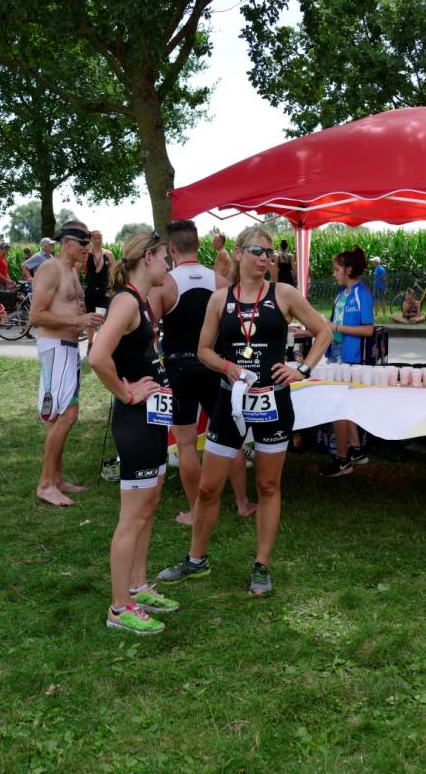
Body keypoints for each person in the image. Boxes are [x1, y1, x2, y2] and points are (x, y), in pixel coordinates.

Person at [158, 226, 331, 597]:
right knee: (208, 487)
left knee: (267, 485)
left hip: (272, 402)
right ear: (238, 253)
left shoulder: (283, 293)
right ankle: (196, 559)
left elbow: (323, 331)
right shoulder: (219, 299)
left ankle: (262, 564)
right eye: (256, 251)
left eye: (269, 253)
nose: (264, 258)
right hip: (230, 402)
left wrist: (302, 369)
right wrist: (227, 367)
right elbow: (203, 350)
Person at [90, 230, 179, 636]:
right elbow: (97, 356)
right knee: (132, 516)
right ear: (147, 257)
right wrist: (126, 392)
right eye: (164, 258)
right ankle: (118, 607)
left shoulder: (141, 300)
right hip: (136, 420)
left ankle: (138, 586)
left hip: (154, 418)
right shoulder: (126, 302)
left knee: (150, 504)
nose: (168, 266)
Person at [150, 219, 257, 525]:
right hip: (215, 366)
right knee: (229, 438)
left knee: (186, 443)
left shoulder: (165, 285)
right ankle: (242, 503)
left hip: (180, 369)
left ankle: (197, 512)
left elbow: (150, 331)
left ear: (171, 249)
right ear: (198, 245)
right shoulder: (220, 282)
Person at [29, 220, 105, 507]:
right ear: (67, 242)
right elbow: (36, 316)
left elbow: (71, 309)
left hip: (68, 349)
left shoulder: (72, 270)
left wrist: (88, 322)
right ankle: (46, 484)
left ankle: (57, 479)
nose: (88, 247)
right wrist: (78, 319)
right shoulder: (50, 268)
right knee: (65, 416)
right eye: (84, 242)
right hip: (55, 348)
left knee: (60, 415)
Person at [322, 245, 375, 477]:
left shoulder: (362, 293)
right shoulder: (341, 294)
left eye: (336, 269)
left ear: (349, 270)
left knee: (339, 405)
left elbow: (368, 330)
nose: (333, 274)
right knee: (344, 405)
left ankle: (342, 460)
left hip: (352, 358)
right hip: (336, 353)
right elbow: (333, 326)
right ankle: (357, 451)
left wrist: (336, 327)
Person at [83, 230, 115, 354]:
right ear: (91, 240)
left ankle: (101, 344)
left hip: (104, 291)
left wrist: (114, 288)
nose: (97, 240)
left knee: (102, 318)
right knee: (91, 319)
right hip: (90, 290)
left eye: (99, 238)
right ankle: (90, 344)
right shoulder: (87, 254)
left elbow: (113, 272)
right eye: (95, 238)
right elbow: (76, 270)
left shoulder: (108, 254)